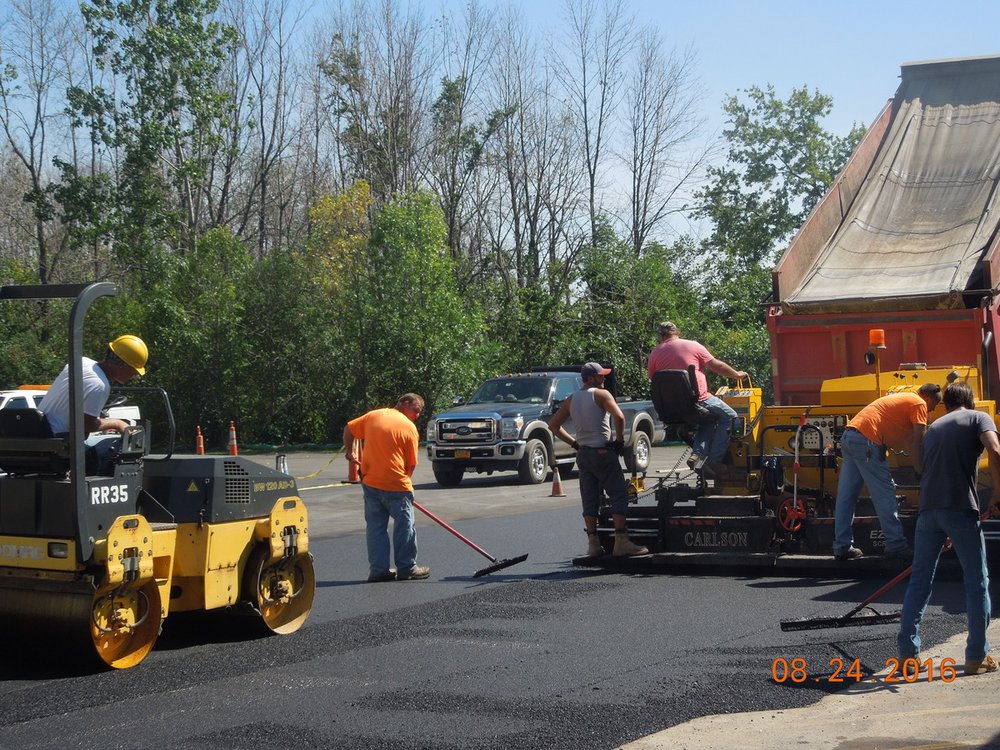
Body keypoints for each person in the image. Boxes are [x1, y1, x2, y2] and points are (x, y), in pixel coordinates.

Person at [897, 382, 999, 677]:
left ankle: (907, 655)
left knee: (920, 581)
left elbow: (923, 467)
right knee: (976, 582)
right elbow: (995, 450)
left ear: (946, 404)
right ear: (970, 401)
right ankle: (976, 656)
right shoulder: (979, 418)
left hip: (929, 513)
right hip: (960, 510)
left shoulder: (934, 426)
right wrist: (998, 494)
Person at [833, 383, 942, 561]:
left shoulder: (903, 400)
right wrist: (922, 472)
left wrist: (918, 468)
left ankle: (842, 546)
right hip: (868, 442)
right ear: (928, 398)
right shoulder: (919, 403)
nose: (930, 411)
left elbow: (910, 443)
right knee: (885, 494)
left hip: (849, 437)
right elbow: (918, 442)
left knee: (846, 496)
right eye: (933, 406)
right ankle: (896, 545)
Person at [549, 362, 649, 558]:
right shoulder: (601, 395)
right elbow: (619, 417)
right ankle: (621, 542)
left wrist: (575, 444)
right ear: (589, 378)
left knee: (590, 498)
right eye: (600, 376)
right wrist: (619, 441)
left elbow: (553, 425)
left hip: (584, 454)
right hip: (602, 452)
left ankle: (593, 544)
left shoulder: (571, 400)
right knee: (619, 494)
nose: (604, 379)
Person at [343, 393, 430, 583]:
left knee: (375, 527)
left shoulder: (373, 415)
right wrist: (402, 482)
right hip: (397, 484)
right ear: (404, 403)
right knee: (405, 526)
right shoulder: (409, 428)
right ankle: (407, 567)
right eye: (416, 410)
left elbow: (349, 429)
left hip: (371, 483)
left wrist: (349, 451)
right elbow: (410, 465)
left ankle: (379, 570)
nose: (417, 415)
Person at [646, 321, 747, 476]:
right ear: (677, 332)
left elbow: (654, 379)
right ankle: (714, 461)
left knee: (707, 420)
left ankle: (697, 455)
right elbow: (717, 366)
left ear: (660, 336)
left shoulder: (654, 353)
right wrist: (736, 374)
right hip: (698, 400)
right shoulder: (692, 346)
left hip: (669, 407)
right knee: (731, 417)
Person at [38, 335, 147, 465]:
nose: (134, 375)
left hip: (40, 436)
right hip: (60, 445)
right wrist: (117, 424)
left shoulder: (81, 363)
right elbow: (87, 425)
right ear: (122, 364)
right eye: (134, 370)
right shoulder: (100, 385)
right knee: (116, 447)